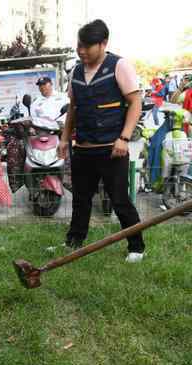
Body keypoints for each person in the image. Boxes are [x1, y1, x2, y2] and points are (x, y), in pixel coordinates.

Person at [58, 19, 145, 263]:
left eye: (87, 46)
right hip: (83, 149)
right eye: (79, 46)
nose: (82, 51)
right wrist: (65, 139)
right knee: (80, 199)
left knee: (119, 200)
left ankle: (136, 247)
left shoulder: (119, 65)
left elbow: (135, 102)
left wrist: (124, 138)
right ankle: (74, 241)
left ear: (103, 43)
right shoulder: (75, 71)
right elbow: (73, 108)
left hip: (111, 148)